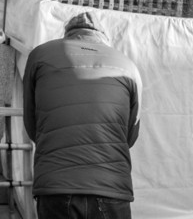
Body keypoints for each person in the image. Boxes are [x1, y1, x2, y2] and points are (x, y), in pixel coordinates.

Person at [24, 12, 142, 219]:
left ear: (68, 33)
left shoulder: (40, 55)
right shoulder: (127, 64)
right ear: (102, 37)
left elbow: (32, 125)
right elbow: (130, 136)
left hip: (56, 185)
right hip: (111, 186)